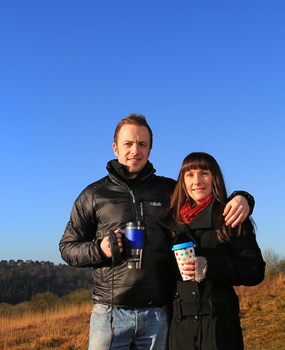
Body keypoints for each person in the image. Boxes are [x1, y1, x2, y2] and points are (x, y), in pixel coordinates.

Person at [59, 114, 255, 350]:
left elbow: (202, 194)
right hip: (110, 314)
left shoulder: (168, 190)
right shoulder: (94, 195)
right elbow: (67, 247)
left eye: (142, 144)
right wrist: (99, 249)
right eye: (128, 144)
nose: (135, 150)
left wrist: (243, 198)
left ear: (150, 149)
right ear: (115, 148)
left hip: (159, 315)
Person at [157, 152, 265, 350]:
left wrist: (210, 266)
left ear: (215, 177)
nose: (196, 181)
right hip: (180, 331)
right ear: (182, 181)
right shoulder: (169, 223)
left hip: (219, 328)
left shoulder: (230, 216)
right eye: (189, 175)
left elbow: (255, 270)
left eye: (204, 173)